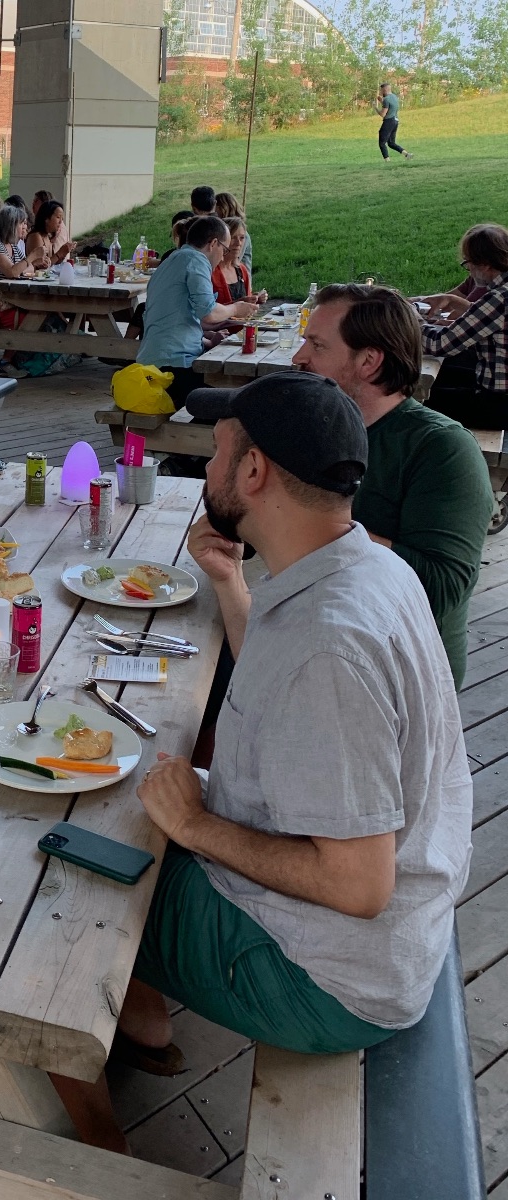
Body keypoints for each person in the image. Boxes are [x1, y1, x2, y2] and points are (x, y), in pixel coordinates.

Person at [50, 370, 473, 1153]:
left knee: (60, 876)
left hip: (329, 977)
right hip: (386, 929)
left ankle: (79, 1129)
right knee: (116, 799)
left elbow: (359, 886)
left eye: (215, 456)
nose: (206, 473)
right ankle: (140, 1020)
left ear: (254, 473)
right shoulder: (361, 568)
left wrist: (196, 826)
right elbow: (289, 694)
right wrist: (228, 582)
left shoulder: (330, 647)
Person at [292, 283, 492, 686]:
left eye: (317, 345)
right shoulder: (315, 428)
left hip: (400, 674)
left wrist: (321, 528)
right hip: (315, 637)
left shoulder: (441, 447)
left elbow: (441, 587)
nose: (299, 358)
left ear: (369, 361)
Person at [136, 215, 258, 406]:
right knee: (237, 400)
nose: (223, 256)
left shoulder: (172, 260)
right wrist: (236, 308)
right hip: (172, 367)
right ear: (213, 244)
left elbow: (176, 318)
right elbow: (208, 312)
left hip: (152, 361)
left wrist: (205, 339)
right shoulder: (196, 260)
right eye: (224, 249)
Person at [421, 224, 508, 429]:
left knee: (413, 401)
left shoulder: (499, 298)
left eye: (468, 263)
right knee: (443, 374)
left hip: (497, 405)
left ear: (485, 264)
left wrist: (410, 320)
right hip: (495, 389)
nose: (468, 268)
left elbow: (440, 345)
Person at [210, 217, 266, 309]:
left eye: (242, 238)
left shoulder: (241, 269)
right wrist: (238, 304)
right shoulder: (210, 271)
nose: (238, 243)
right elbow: (207, 310)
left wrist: (255, 298)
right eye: (233, 237)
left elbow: (247, 304)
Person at [26, 200, 74, 269]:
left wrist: (64, 252)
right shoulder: (36, 236)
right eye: (58, 217)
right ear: (46, 219)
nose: (60, 222)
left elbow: (51, 262)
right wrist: (59, 253)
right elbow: (42, 265)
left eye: (62, 218)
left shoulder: (47, 236)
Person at [213, 191, 251, 271]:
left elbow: (234, 258)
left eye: (215, 210)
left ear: (222, 209)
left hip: (240, 275)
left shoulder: (242, 234)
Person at [375, 82, 412, 162]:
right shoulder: (394, 97)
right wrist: (382, 101)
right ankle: (407, 154)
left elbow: (383, 114)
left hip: (388, 121)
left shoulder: (386, 99)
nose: (381, 93)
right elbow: (389, 106)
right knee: (391, 143)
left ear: (385, 90)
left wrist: (375, 108)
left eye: (381, 91)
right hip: (395, 121)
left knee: (382, 143)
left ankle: (387, 161)